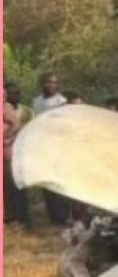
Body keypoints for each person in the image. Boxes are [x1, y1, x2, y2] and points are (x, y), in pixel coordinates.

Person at [30, 73, 73, 225]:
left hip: (59, 146)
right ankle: (53, 215)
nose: (51, 85)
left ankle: (64, 215)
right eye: (48, 82)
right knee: (47, 182)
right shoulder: (36, 101)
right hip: (42, 146)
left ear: (58, 85)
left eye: (54, 82)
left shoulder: (63, 101)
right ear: (43, 84)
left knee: (61, 181)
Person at [4, 82, 33, 227]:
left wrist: (7, 138)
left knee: (17, 186)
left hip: (16, 154)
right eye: (11, 92)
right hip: (6, 154)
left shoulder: (21, 110)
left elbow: (19, 125)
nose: (14, 95)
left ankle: (21, 216)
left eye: (17, 92)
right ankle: (10, 216)